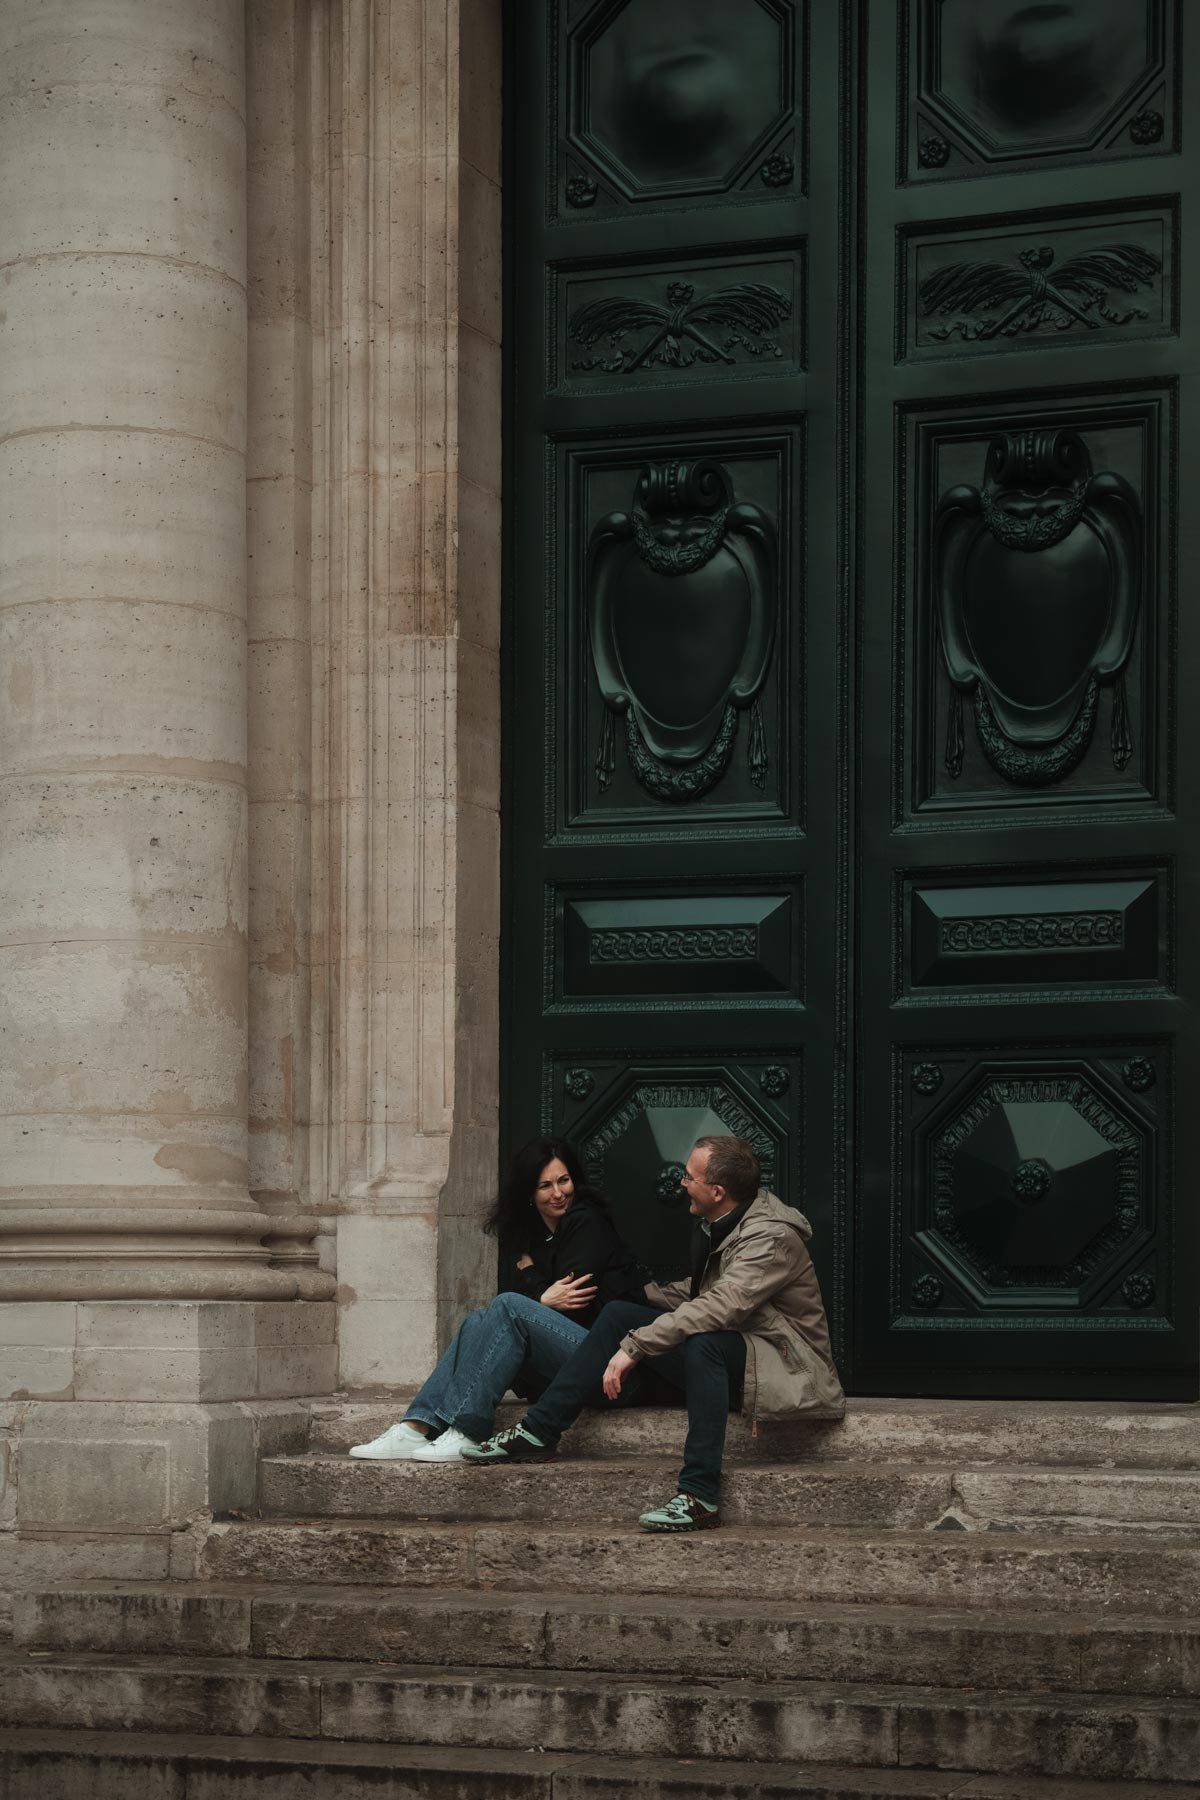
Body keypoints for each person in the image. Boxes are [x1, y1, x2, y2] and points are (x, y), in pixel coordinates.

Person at [462, 1133, 845, 1530]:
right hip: (740, 1354)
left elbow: (720, 1304)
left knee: (704, 1345)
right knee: (618, 1312)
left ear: (716, 1191)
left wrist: (636, 1344)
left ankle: (700, 1495)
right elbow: (695, 1292)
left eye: (689, 1177)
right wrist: (626, 1293)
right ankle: (539, 1432)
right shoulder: (722, 1222)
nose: (680, 1184)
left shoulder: (770, 1238)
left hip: (785, 1366)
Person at [348, 1136, 645, 1462]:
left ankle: (467, 1431)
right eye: (545, 1185)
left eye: (564, 1180)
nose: (558, 1193)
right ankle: (415, 1426)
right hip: (573, 1364)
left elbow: (572, 1309)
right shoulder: (533, 1237)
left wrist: (534, 1284)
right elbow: (547, 1305)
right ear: (529, 1193)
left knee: (506, 1306)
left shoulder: (587, 1223)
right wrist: (542, 1295)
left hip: (613, 1370)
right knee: (478, 1319)